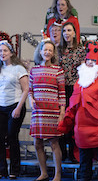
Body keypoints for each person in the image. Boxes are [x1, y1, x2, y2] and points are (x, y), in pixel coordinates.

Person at [58, 42, 98, 181]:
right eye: (88, 60)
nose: (90, 63)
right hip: (82, 132)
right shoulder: (80, 81)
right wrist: (66, 121)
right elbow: (73, 104)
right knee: (84, 166)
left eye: (93, 61)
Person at [29, 40, 65, 181]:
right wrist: (31, 99)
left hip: (52, 111)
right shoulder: (34, 70)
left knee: (54, 142)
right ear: (40, 51)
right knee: (37, 143)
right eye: (45, 49)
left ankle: (58, 174)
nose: (47, 52)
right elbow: (31, 90)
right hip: (38, 111)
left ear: (53, 53)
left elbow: (62, 93)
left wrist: (62, 112)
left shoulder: (58, 70)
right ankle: (43, 173)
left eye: (50, 50)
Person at [0, 40, 28, 179]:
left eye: (5, 51)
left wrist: (18, 107)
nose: (2, 53)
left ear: (11, 52)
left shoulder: (18, 68)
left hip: (15, 105)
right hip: (1, 107)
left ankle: (14, 170)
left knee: (11, 136)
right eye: (0, 51)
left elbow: (26, 89)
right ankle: (2, 169)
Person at [58, 22, 86, 163]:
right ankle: (62, 154)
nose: (66, 33)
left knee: (74, 121)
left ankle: (74, 154)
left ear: (74, 33)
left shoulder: (81, 50)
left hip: (75, 89)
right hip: (61, 89)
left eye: (69, 30)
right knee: (62, 121)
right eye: (64, 30)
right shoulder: (58, 50)